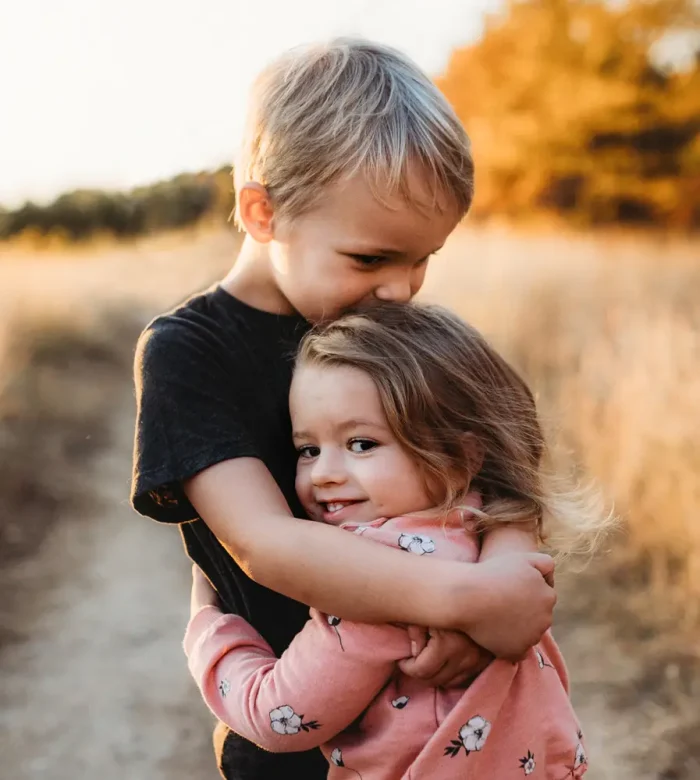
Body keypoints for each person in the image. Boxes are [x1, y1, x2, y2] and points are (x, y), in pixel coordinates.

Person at [131, 38, 556, 779]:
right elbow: (265, 542)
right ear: (263, 212)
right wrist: (464, 600)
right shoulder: (189, 352)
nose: (401, 289)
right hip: (299, 747)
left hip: (455, 733)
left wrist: (500, 590)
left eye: (422, 259)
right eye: (371, 259)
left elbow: (505, 465)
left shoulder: (388, 329)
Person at [186, 302, 604, 779]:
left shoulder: (375, 576)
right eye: (308, 449)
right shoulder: (487, 530)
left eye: (361, 444)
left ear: (458, 455)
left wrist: (209, 628)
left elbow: (279, 717)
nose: (323, 474)